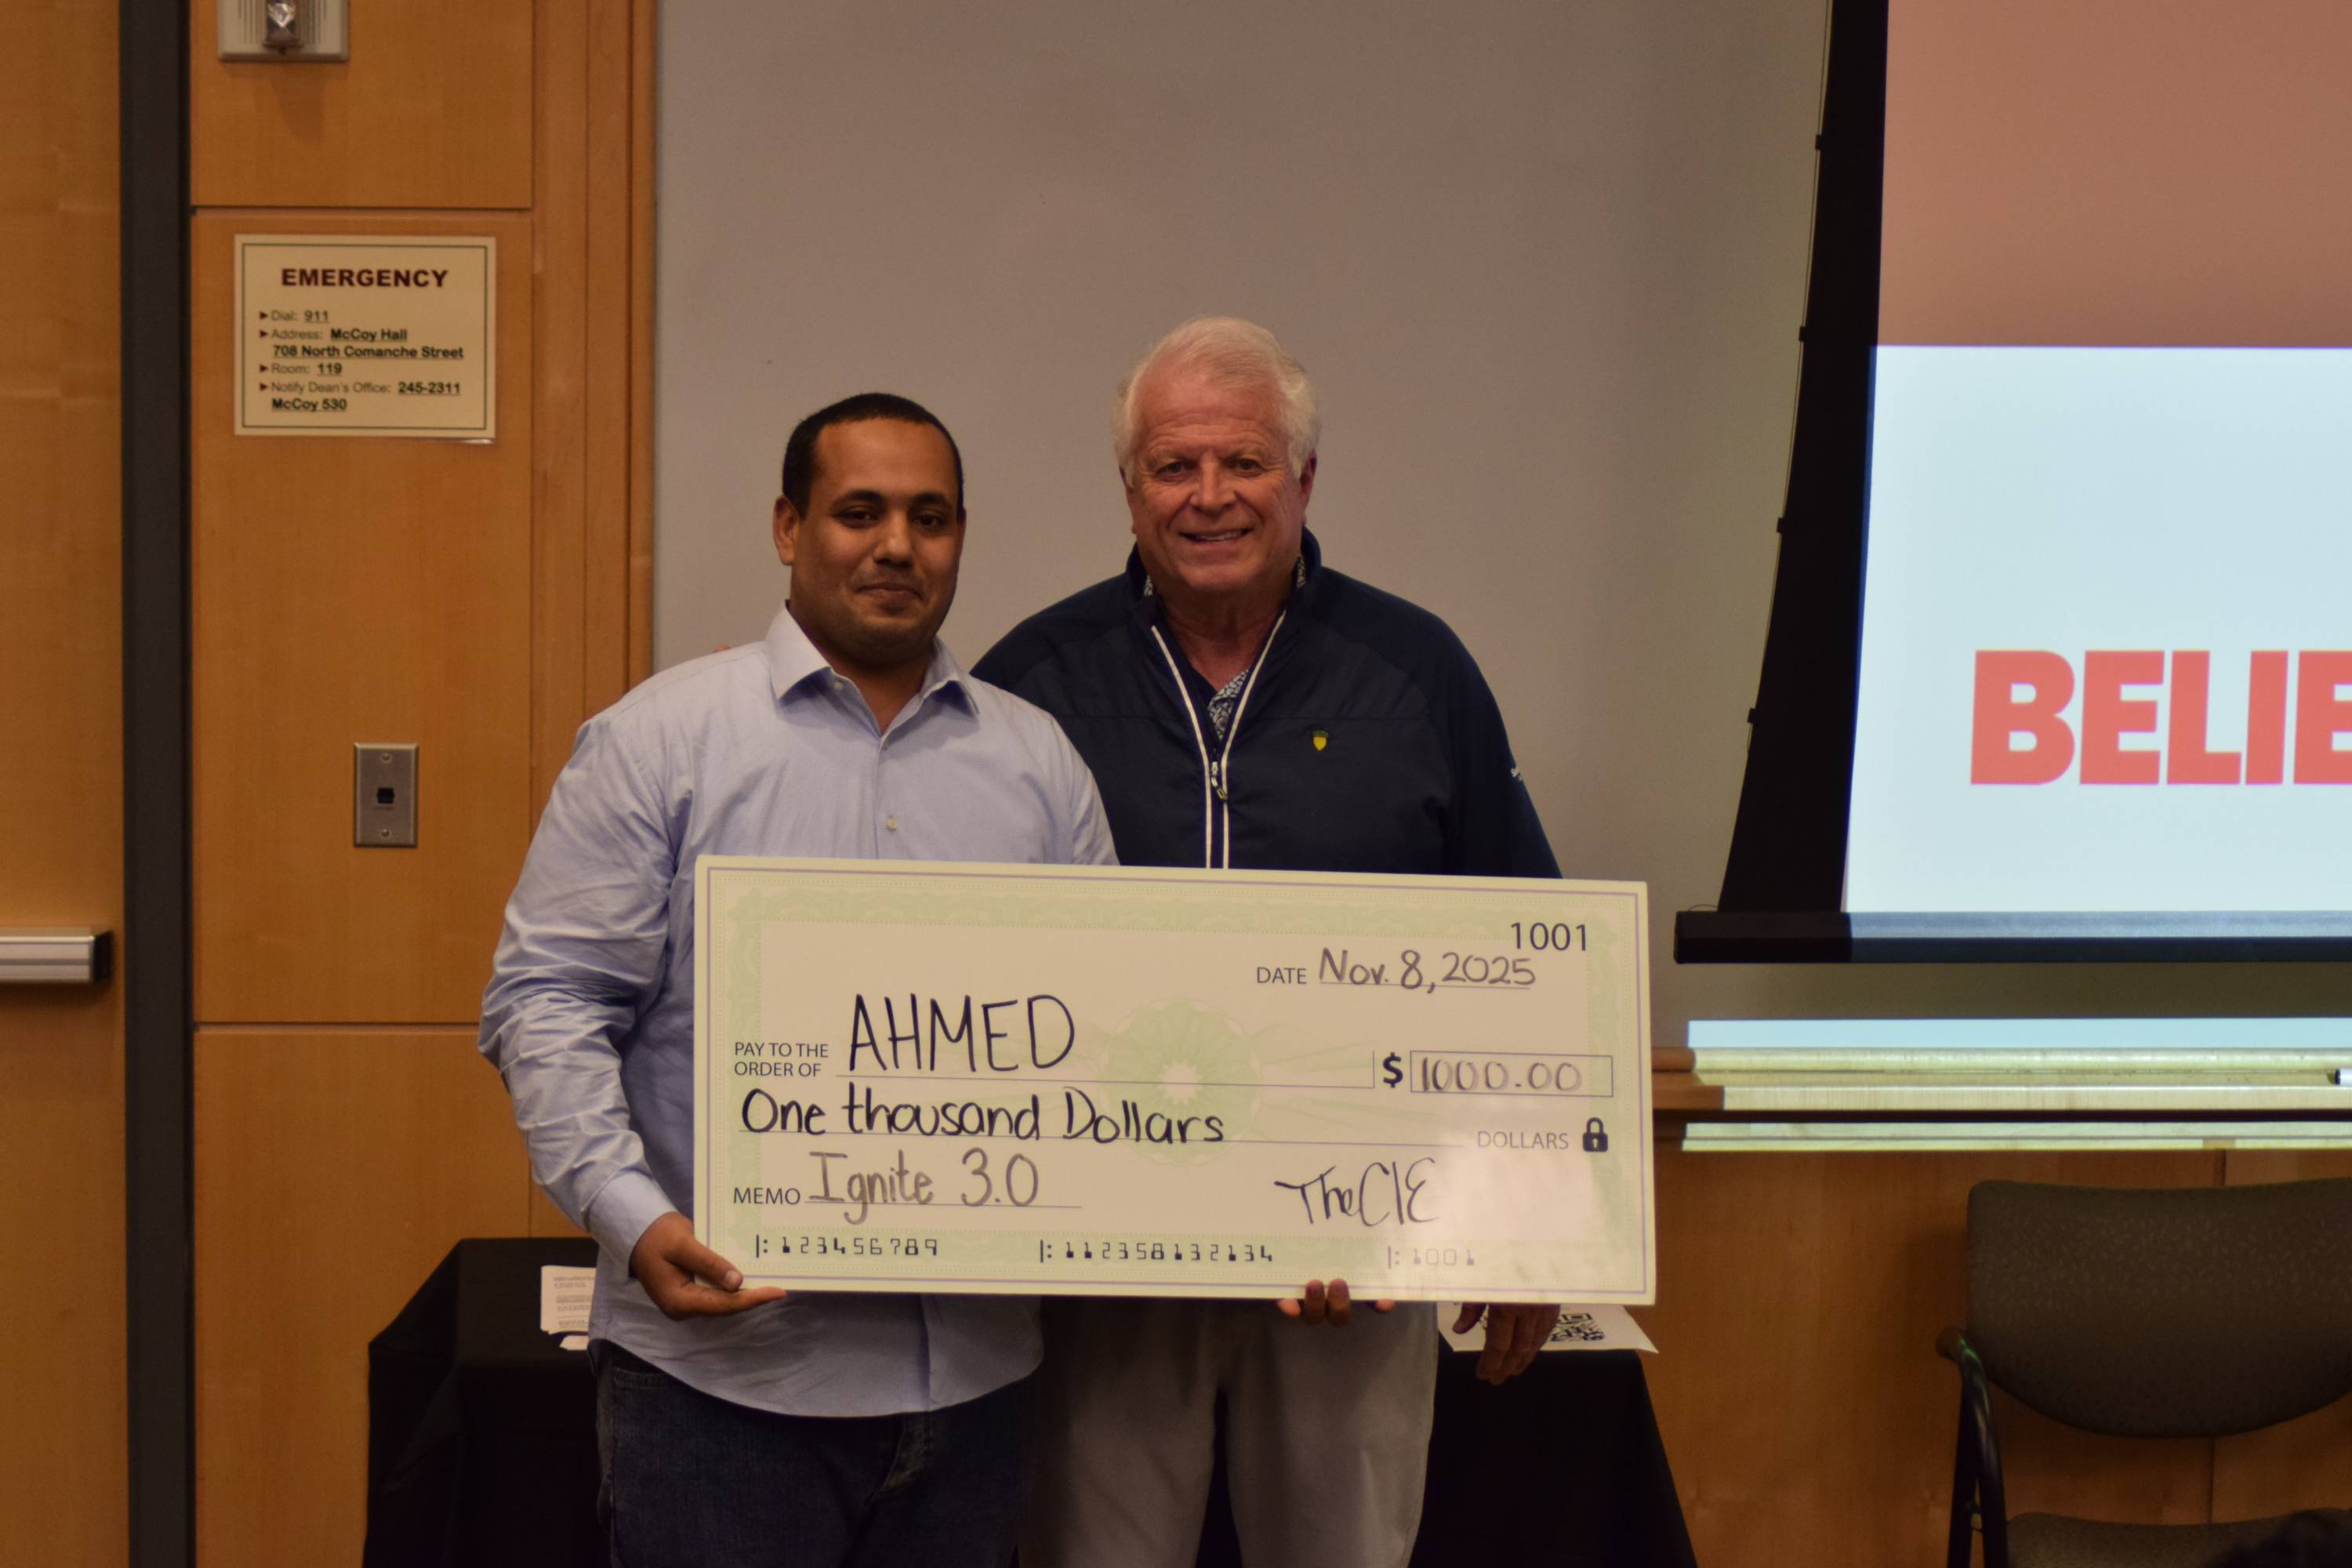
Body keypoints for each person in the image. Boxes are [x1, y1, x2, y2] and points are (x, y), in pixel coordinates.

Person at [480, 392, 1114, 1568]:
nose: (895, 546)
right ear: (788, 526)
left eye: (930, 518)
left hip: (979, 1394)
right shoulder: (660, 741)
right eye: (857, 512)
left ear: (961, 536)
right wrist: (631, 1217)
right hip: (721, 1399)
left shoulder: (1039, 766)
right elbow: (547, 1001)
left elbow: (1103, 1037)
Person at [974, 318, 1564, 1567]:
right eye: (1172, 467)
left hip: (1361, 1250)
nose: (1208, 498)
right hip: (1106, 1262)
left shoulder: (1417, 671)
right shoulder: (1032, 678)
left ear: (1303, 479)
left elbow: (1524, 945)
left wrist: (1534, 1219)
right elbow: (958, 961)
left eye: (1241, 463)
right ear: (1128, 490)